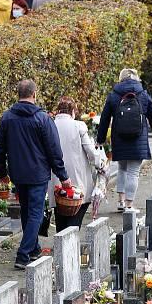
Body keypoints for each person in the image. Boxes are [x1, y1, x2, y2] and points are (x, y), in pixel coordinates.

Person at [0, 80, 72, 269]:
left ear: (18, 94)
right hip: (37, 174)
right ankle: (23, 254)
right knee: (35, 212)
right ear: (34, 94)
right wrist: (63, 176)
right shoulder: (43, 119)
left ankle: (34, 248)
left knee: (27, 211)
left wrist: (2, 172)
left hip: (18, 173)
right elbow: (54, 150)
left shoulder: (8, 118)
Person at [96, 69, 152, 211]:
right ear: (136, 78)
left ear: (121, 79)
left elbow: (105, 119)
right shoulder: (143, 94)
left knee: (122, 169)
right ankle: (129, 205)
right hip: (138, 140)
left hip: (119, 139)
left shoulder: (113, 95)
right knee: (133, 172)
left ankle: (121, 202)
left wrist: (100, 139)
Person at [49, 97, 105, 231]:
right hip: (77, 177)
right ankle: (69, 244)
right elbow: (90, 151)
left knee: (60, 211)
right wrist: (100, 163)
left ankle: (61, 242)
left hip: (56, 177)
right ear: (73, 111)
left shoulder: (50, 125)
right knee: (77, 208)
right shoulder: (79, 126)